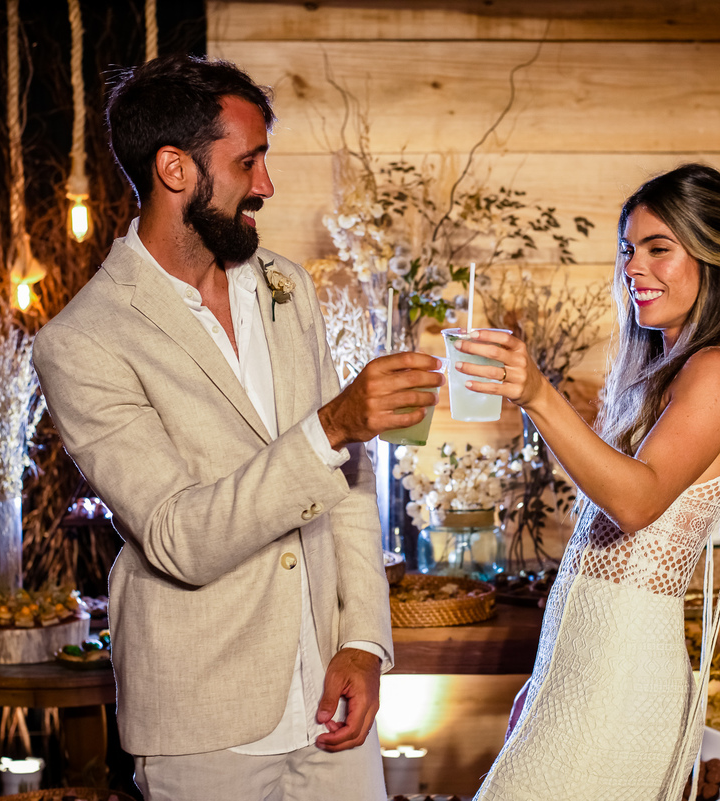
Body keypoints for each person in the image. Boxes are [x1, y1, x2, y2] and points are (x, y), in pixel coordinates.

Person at [32, 55, 442, 801]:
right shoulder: (83, 340)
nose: (266, 184)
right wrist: (331, 425)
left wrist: (361, 640)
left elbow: (346, 480)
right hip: (203, 727)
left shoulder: (287, 286)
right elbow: (178, 537)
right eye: (247, 161)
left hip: (330, 710)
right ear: (174, 168)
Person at [457, 163, 720, 800]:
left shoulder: (719, 370)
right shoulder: (672, 371)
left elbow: (635, 503)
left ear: (714, 255)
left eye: (658, 249)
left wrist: (537, 394)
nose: (634, 268)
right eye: (627, 251)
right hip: (581, 667)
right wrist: (547, 676)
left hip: (619, 676)